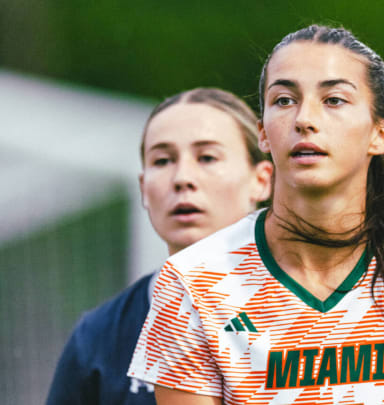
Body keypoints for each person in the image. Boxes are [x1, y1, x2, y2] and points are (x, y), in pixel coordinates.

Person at [128, 25, 384, 405]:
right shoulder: (192, 282)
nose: (304, 118)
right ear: (262, 133)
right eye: (284, 100)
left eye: (334, 99)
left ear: (381, 134)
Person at [46, 87, 273, 405]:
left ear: (261, 180)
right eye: (162, 160)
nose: (182, 178)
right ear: (143, 187)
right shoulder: (99, 337)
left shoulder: (327, 314)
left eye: (207, 157)